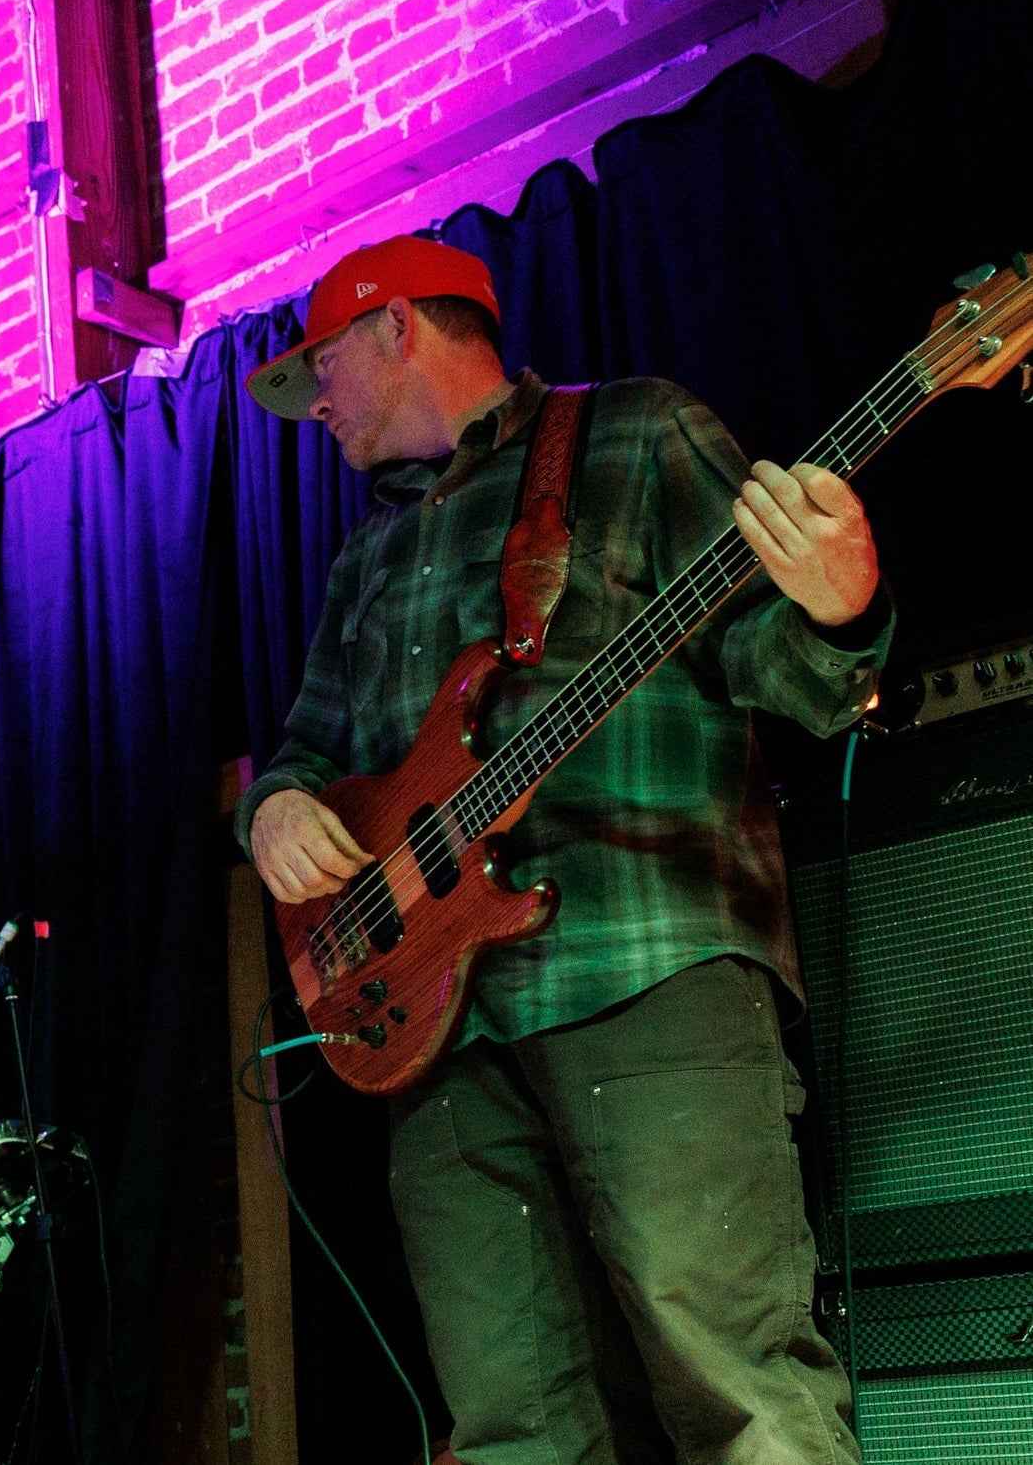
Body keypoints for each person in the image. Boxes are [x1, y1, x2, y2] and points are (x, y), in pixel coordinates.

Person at [236, 237, 887, 1464]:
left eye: (323, 364)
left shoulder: (635, 434)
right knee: (515, 1429)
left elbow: (788, 673)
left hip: (641, 966)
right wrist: (273, 810)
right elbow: (307, 751)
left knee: (736, 1382)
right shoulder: (366, 555)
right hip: (439, 1037)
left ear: (398, 328)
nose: (314, 402)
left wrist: (841, 605)